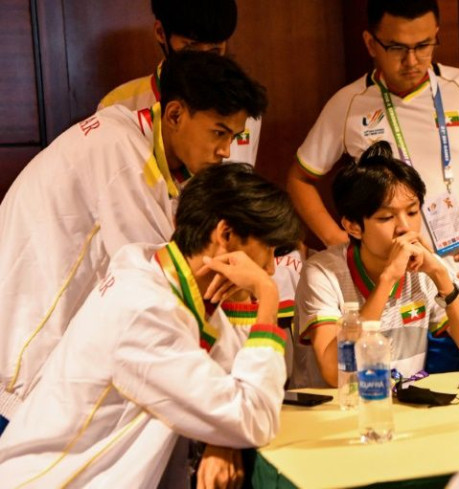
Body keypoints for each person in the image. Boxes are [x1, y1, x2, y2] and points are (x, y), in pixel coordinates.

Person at [0, 51, 267, 433]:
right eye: (219, 132)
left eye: (234, 137)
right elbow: (168, 283)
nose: (226, 150)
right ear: (175, 115)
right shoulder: (121, 153)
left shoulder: (137, 144)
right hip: (21, 358)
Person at [287, 0, 459, 373]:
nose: (412, 60)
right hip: (381, 281)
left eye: (423, 45)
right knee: (372, 374)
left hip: (457, 281)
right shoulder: (348, 104)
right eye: (397, 47)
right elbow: (300, 179)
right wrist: (341, 242)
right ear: (370, 42)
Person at [0, 164, 301, 488]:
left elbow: (230, 379)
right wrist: (267, 299)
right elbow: (255, 417)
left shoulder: (156, 273)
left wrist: (220, 435)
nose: (270, 268)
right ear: (225, 234)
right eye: (268, 249)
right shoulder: (145, 311)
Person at [292, 142, 459, 388]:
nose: (405, 227)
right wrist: (387, 280)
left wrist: (441, 276)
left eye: (412, 212)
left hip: (400, 413)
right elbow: (335, 374)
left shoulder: (425, 268)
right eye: (386, 217)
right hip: (332, 413)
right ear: (352, 226)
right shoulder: (322, 272)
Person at [98, 0, 262, 165]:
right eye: (191, 48)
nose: (203, 62)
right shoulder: (118, 106)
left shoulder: (244, 106)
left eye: (215, 50)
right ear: (161, 33)